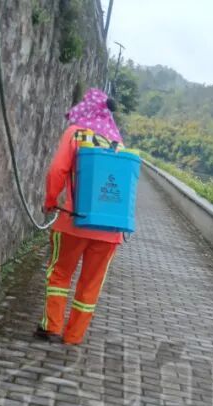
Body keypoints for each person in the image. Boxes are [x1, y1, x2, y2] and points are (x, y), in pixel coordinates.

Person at [35, 88, 124, 346]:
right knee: (90, 284)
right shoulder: (119, 144)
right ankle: (73, 336)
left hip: (73, 222)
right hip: (110, 231)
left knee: (60, 274)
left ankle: (52, 328)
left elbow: (57, 170)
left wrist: (51, 201)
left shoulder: (75, 134)